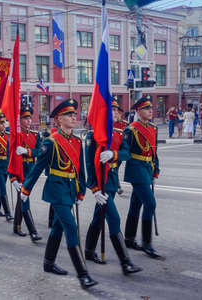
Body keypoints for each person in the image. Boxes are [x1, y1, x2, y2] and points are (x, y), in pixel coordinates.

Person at [20, 99, 97, 289]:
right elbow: (39, 167)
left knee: (58, 227)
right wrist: (26, 189)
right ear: (58, 120)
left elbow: (80, 170)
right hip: (56, 189)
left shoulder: (77, 141)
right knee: (71, 227)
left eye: (74, 114)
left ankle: (48, 263)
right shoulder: (50, 142)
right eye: (68, 115)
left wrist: (80, 190)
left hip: (70, 189)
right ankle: (83, 274)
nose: (73, 117)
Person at [84, 100, 142, 275]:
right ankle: (125, 262)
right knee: (114, 219)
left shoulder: (119, 133)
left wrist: (113, 154)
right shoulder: (93, 135)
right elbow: (88, 163)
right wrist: (93, 188)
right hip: (101, 184)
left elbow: (127, 154)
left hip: (112, 181)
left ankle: (88, 251)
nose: (115, 114)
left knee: (98, 217)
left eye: (117, 111)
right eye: (111, 111)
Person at [123, 96, 162, 259]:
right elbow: (125, 152)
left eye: (151, 108)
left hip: (147, 168)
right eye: (147, 109)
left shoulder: (153, 128)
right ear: (138, 111)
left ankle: (129, 238)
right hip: (136, 169)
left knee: (136, 203)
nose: (151, 111)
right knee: (150, 203)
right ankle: (147, 243)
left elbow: (154, 151)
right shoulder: (131, 130)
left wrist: (156, 169)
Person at [9, 105, 42, 242]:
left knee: (21, 198)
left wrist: (27, 152)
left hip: (30, 171)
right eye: (25, 118)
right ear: (19, 119)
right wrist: (12, 178)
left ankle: (16, 226)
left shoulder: (35, 135)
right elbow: (9, 158)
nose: (28, 120)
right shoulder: (15, 136)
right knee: (24, 198)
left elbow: (40, 152)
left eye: (29, 117)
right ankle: (32, 231)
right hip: (19, 170)